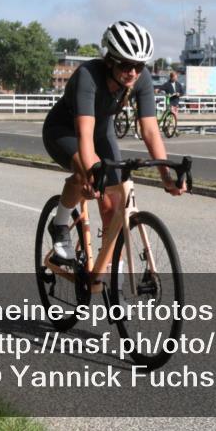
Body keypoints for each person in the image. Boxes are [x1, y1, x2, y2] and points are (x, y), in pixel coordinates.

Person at [42, 20, 184, 262]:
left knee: (113, 204)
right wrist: (90, 174)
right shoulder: (88, 76)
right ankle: (60, 224)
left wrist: (165, 174)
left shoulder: (141, 79)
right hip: (64, 131)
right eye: (126, 65)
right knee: (84, 175)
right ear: (110, 60)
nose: (133, 72)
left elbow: (150, 130)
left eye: (139, 66)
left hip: (102, 131)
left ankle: (110, 271)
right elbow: (84, 134)